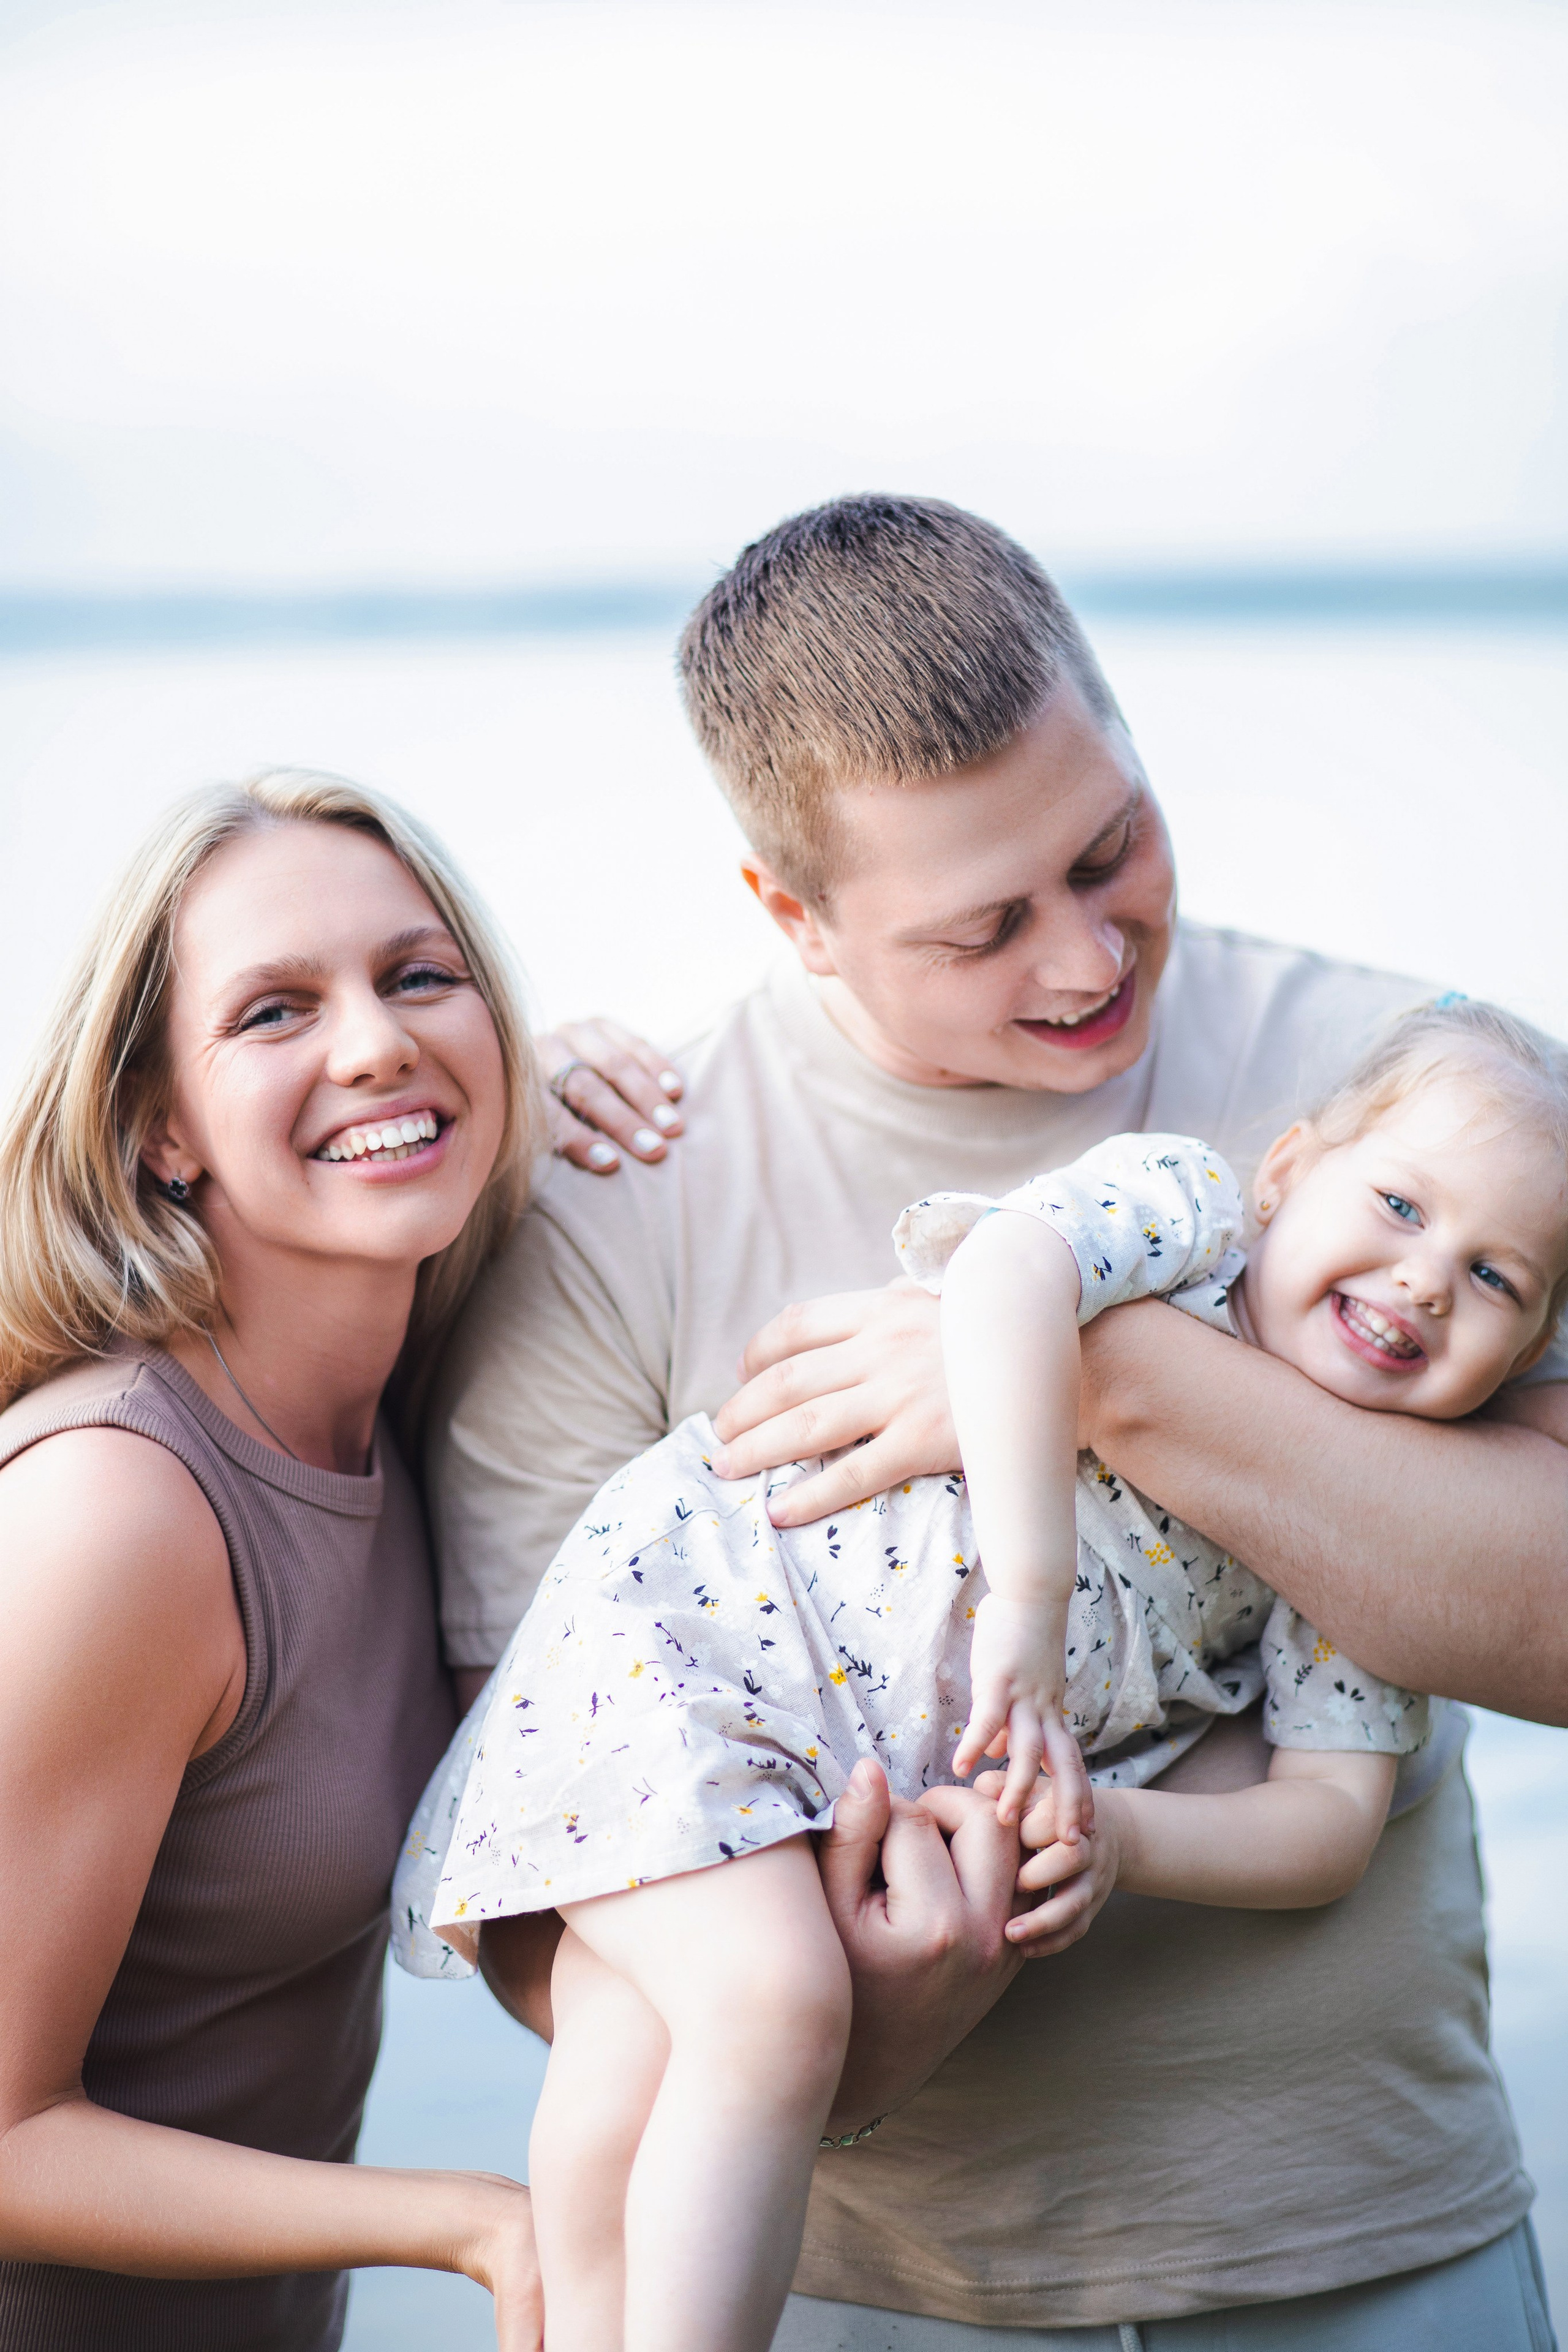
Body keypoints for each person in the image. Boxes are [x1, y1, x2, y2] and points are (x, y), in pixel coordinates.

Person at [428, 497, 1566, 2348]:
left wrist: (1105, 1381)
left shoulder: (1421, 1113)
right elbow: (549, 1827)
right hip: (861, 2285)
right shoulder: (612, 1191)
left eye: (1113, 851)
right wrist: (857, 2020)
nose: (1089, 962)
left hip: (1367, 2240)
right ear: (792, 916)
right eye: (983, 930)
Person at [0, 766, 664, 2352]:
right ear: (161, 1128)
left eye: (420, 978)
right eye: (273, 1012)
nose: (374, 1043)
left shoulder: (411, 1400)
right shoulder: (120, 1513)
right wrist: (472, 2224)